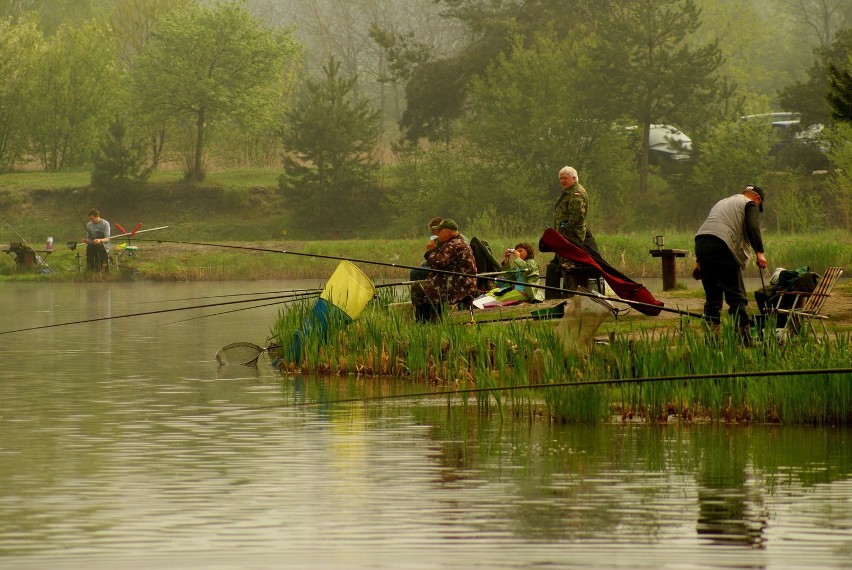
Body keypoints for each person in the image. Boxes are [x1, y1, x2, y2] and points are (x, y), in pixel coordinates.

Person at [693, 185, 767, 342]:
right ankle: (744, 337)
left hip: (701, 242)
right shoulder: (749, 203)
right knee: (736, 295)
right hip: (722, 244)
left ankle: (711, 339)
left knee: (712, 297)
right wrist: (759, 252)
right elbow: (752, 227)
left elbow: (711, 228)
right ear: (757, 199)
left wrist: (699, 261)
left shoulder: (722, 202)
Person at [410, 218, 478, 322]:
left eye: (439, 231)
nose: (437, 235)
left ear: (447, 232)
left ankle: (425, 322)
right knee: (426, 285)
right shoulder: (456, 241)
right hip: (456, 281)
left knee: (419, 288)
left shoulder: (454, 244)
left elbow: (438, 262)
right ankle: (432, 319)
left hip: (458, 285)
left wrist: (430, 251)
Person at [547, 166, 600, 295]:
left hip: (572, 236)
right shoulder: (568, 192)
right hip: (565, 236)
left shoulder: (576, 193)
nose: (562, 181)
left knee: (570, 266)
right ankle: (568, 293)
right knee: (563, 265)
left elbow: (577, 216)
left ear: (574, 178)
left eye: (565, 178)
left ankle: (572, 293)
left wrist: (566, 230)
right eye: (560, 178)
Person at [474, 242, 545, 307]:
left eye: (521, 251)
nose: (518, 253)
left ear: (528, 252)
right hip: (516, 291)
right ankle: (475, 302)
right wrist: (506, 261)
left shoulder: (532, 262)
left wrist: (517, 258)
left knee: (499, 299)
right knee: (493, 292)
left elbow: (527, 270)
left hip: (526, 293)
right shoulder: (517, 266)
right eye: (517, 251)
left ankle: (481, 304)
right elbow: (509, 277)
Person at [83, 208, 111, 273]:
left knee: (100, 245)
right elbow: (89, 239)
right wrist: (86, 240)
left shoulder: (105, 224)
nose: (91, 220)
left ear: (97, 216)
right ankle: (90, 267)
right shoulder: (89, 225)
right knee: (90, 246)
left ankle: (103, 266)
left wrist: (99, 240)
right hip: (93, 244)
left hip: (104, 244)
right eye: (90, 219)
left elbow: (108, 239)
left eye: (92, 219)